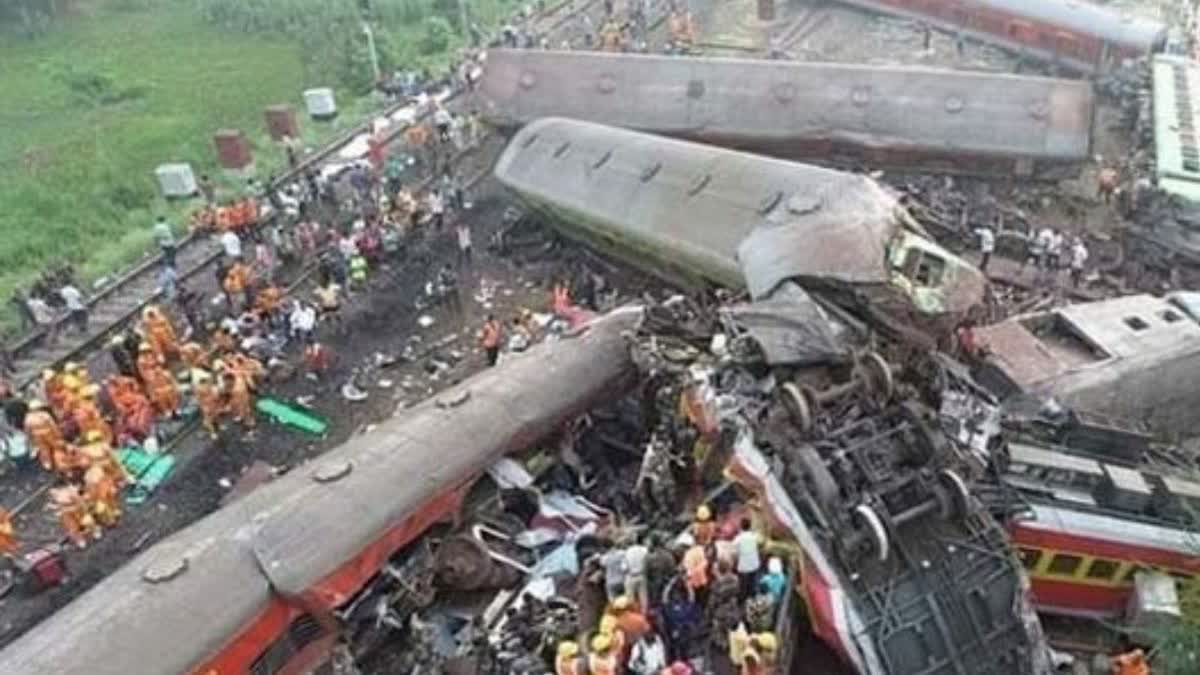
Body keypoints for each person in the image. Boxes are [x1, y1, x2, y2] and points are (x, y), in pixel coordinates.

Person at [733, 518, 762, 598]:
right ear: (750, 526)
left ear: (741, 526)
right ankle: (752, 599)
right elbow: (760, 542)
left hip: (743, 567)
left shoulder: (738, 539)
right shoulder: (755, 537)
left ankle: (743, 600)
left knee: (743, 588)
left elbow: (734, 550)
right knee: (753, 586)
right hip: (754, 565)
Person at [624, 537, 651, 610]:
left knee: (630, 598)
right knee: (643, 598)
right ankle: (643, 616)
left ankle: (632, 615)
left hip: (630, 576)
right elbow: (647, 563)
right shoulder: (645, 550)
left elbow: (624, 567)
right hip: (641, 575)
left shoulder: (628, 550)